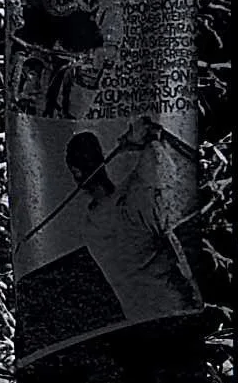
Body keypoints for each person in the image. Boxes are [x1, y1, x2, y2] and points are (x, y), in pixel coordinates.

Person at [63, 120, 200, 319]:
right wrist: (148, 138)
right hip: (177, 310)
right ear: (102, 159)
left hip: (139, 320)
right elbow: (168, 169)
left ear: (76, 172)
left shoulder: (91, 227)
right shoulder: (129, 206)